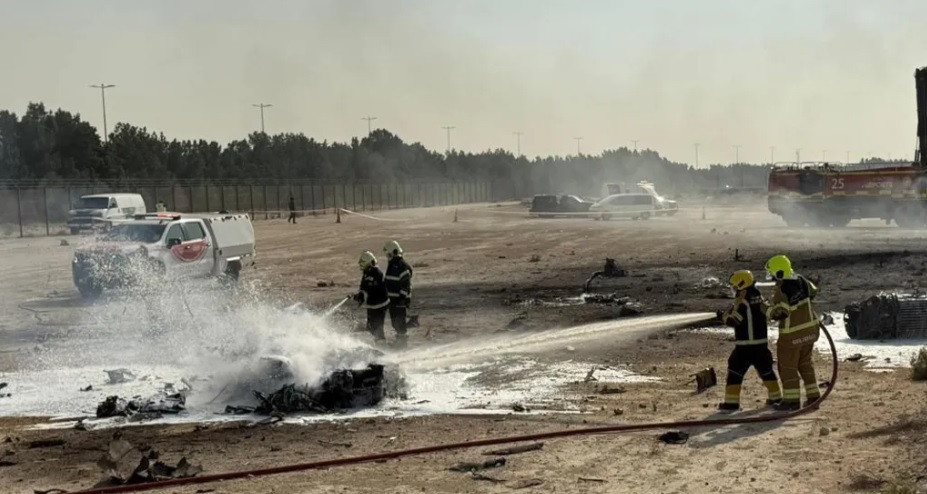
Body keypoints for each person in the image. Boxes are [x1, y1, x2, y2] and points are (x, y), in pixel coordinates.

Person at [716, 270, 782, 412]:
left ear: (741, 285)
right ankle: (776, 398)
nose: (733, 290)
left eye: (734, 287)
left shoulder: (743, 300)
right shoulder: (758, 296)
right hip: (761, 345)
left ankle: (731, 403)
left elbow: (735, 320)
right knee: (766, 371)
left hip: (745, 346)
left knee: (735, 371)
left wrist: (722, 317)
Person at [765, 254, 821, 411]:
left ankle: (791, 401)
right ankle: (814, 397)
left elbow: (780, 313)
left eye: (773, 273)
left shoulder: (782, 289)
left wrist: (765, 309)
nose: (772, 277)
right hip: (810, 332)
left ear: (779, 272)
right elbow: (813, 292)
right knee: (805, 365)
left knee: (787, 368)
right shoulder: (802, 280)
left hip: (792, 337)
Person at [353, 251, 389, 342]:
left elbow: (372, 288)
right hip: (371, 305)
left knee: (378, 327)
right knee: (371, 327)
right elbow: (363, 286)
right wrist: (360, 294)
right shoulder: (366, 273)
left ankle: (382, 345)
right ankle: (378, 342)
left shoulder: (377, 273)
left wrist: (362, 295)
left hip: (380, 305)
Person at [383, 240, 413, 347]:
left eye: (389, 254)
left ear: (394, 252)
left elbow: (405, 285)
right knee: (395, 322)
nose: (387, 257)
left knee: (399, 323)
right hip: (392, 300)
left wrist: (401, 299)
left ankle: (402, 343)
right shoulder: (392, 265)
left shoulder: (402, 266)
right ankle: (400, 340)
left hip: (399, 301)